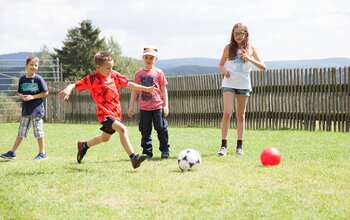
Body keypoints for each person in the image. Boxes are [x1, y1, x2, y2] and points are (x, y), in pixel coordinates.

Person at [58, 52, 158, 169]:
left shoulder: (114, 75)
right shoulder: (92, 79)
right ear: (98, 67)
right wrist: (69, 88)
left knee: (104, 138)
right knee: (122, 129)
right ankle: (133, 158)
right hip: (104, 114)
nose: (111, 70)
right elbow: (75, 84)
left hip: (115, 113)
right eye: (108, 68)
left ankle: (84, 146)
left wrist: (146, 89)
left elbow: (128, 84)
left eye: (112, 67)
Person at [218, 23, 266, 156]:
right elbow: (220, 65)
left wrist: (250, 58)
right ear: (232, 35)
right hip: (229, 83)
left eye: (241, 33)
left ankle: (239, 147)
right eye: (235, 33)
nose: (238, 36)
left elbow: (263, 67)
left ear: (246, 34)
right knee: (227, 112)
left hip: (244, 85)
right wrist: (224, 71)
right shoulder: (228, 48)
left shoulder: (251, 49)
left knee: (241, 115)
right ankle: (223, 146)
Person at [1, 56, 49, 160]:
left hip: (36, 111)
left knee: (38, 132)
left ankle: (43, 153)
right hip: (26, 111)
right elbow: (19, 91)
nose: (34, 67)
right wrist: (22, 96)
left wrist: (33, 97)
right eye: (31, 64)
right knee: (21, 133)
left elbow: (46, 93)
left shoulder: (38, 79)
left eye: (36, 65)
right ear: (26, 66)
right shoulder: (22, 79)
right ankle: (12, 153)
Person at [128, 47, 170, 159]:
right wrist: (131, 106)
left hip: (158, 107)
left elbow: (163, 89)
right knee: (145, 130)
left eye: (151, 57)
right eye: (146, 57)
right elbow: (134, 90)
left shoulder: (159, 72)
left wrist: (166, 105)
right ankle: (147, 152)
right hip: (144, 108)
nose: (148, 59)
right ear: (143, 58)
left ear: (156, 59)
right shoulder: (138, 74)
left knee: (161, 128)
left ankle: (165, 150)